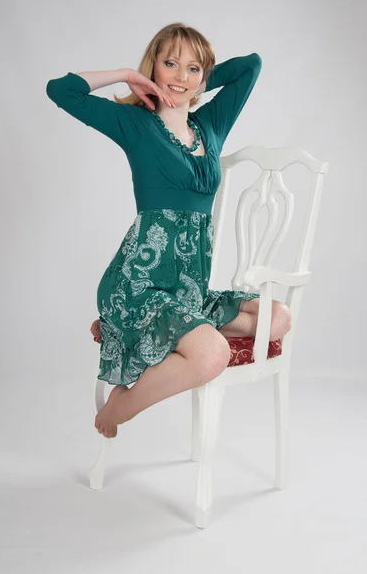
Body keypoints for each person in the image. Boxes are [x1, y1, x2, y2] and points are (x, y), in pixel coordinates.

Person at [46, 22, 291, 439]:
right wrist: (127, 76)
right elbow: (60, 90)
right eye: (171, 64)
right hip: (141, 283)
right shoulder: (135, 125)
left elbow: (251, 66)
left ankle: (127, 331)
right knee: (210, 353)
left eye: (192, 68)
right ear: (153, 67)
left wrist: (195, 82)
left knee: (279, 318)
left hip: (187, 290)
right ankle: (123, 403)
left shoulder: (210, 125)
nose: (180, 76)